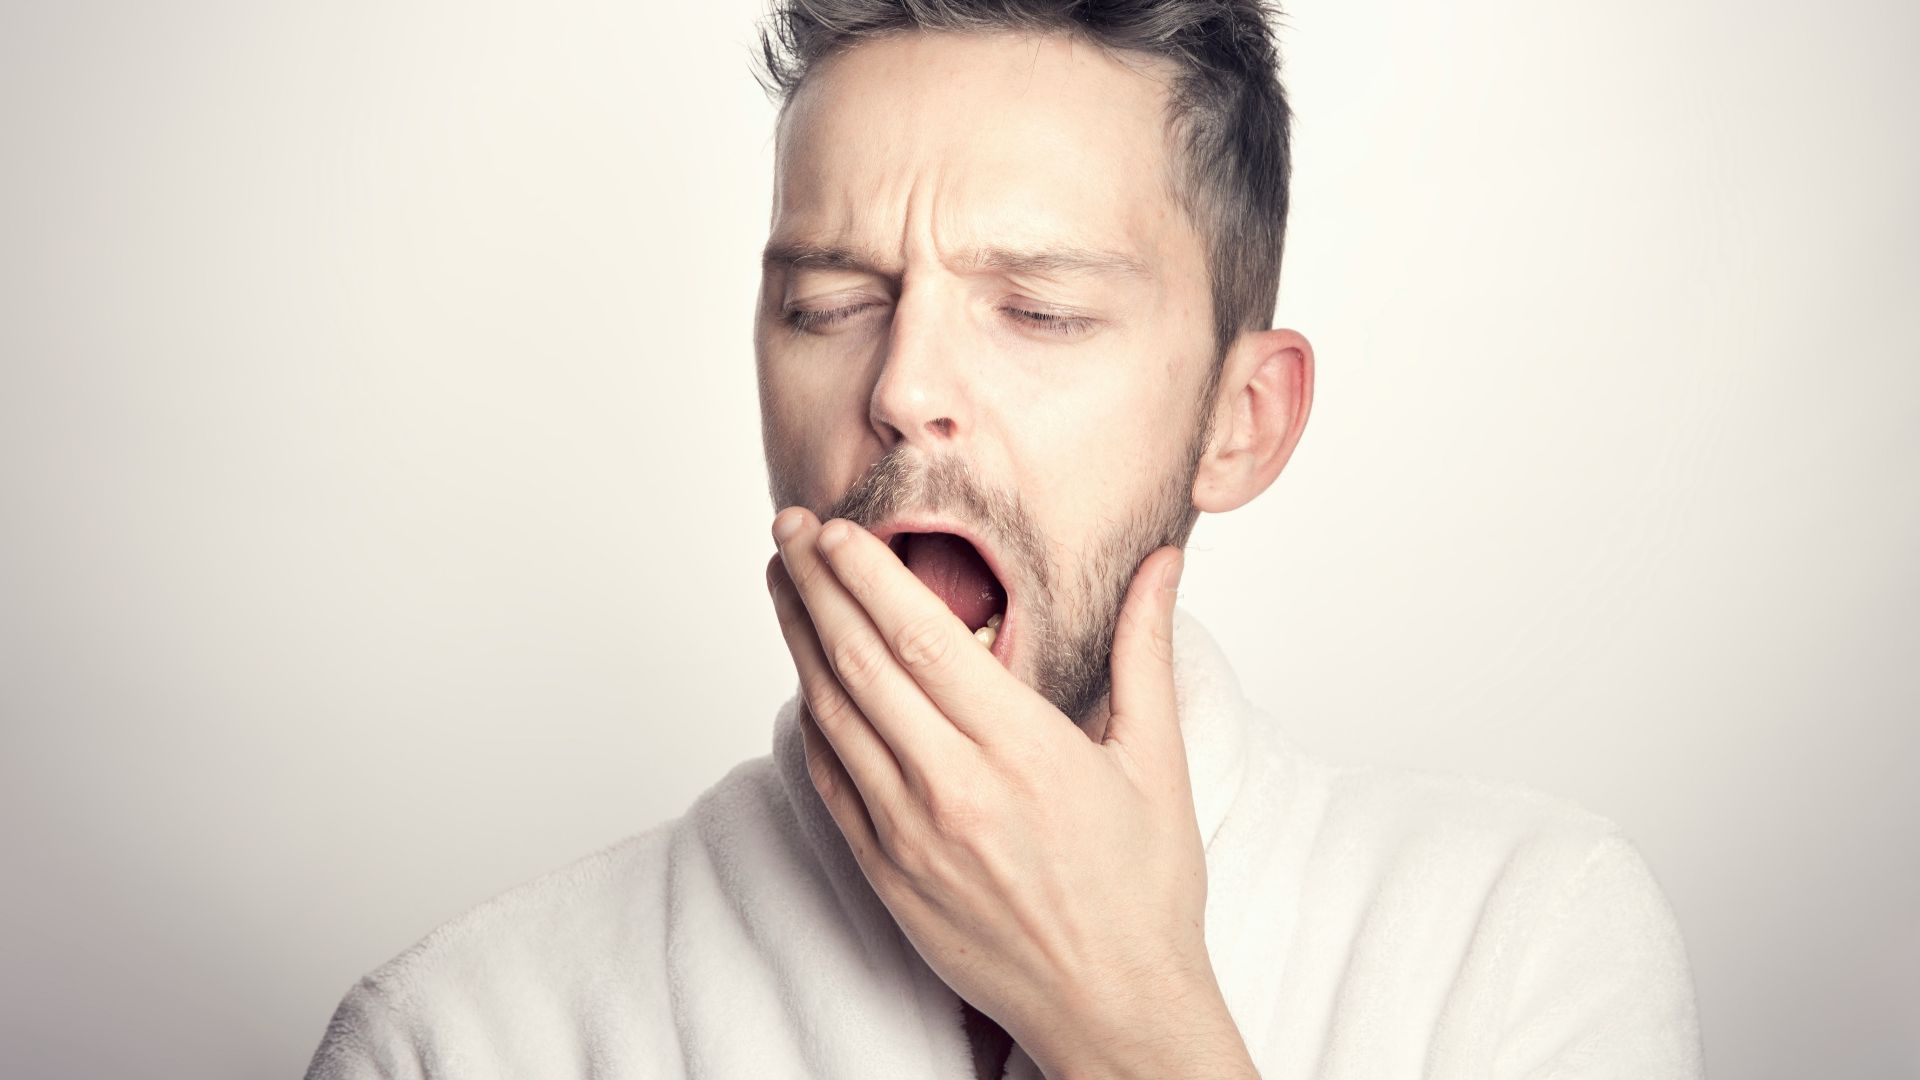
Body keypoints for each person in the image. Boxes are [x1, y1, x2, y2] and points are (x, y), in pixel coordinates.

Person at [304, 2, 1704, 1077]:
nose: (904, 387)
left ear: (1240, 422)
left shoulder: (1521, 945)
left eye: (1035, 310)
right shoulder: (464, 1034)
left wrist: (1127, 1022)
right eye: (831, 302)